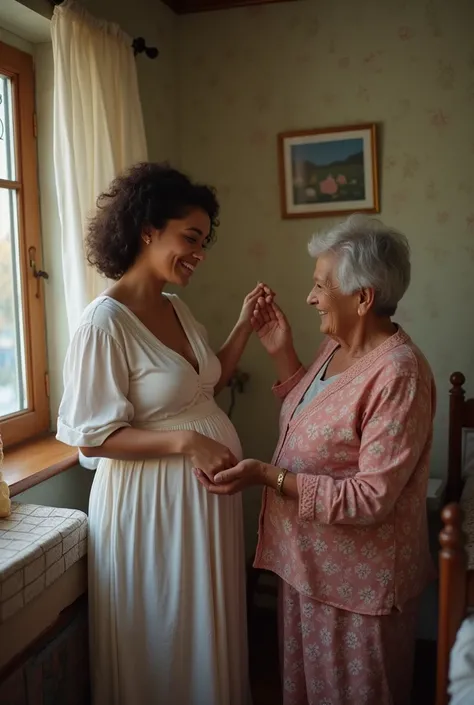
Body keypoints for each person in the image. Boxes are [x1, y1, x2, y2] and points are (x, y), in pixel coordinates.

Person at [195, 214, 436, 705]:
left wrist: (267, 475)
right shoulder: (336, 346)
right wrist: (284, 356)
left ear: (363, 298)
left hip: (359, 589)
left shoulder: (398, 375)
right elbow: (315, 419)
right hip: (308, 568)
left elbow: (371, 499)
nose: (309, 297)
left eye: (320, 286)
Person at [56, 163, 261, 705]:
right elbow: (91, 439)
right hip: (151, 511)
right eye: (189, 237)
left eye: (203, 240)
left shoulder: (175, 307)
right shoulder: (103, 323)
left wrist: (243, 325)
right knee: (164, 639)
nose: (200, 251)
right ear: (148, 230)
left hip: (202, 509)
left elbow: (199, 389)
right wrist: (185, 443)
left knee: (203, 634)